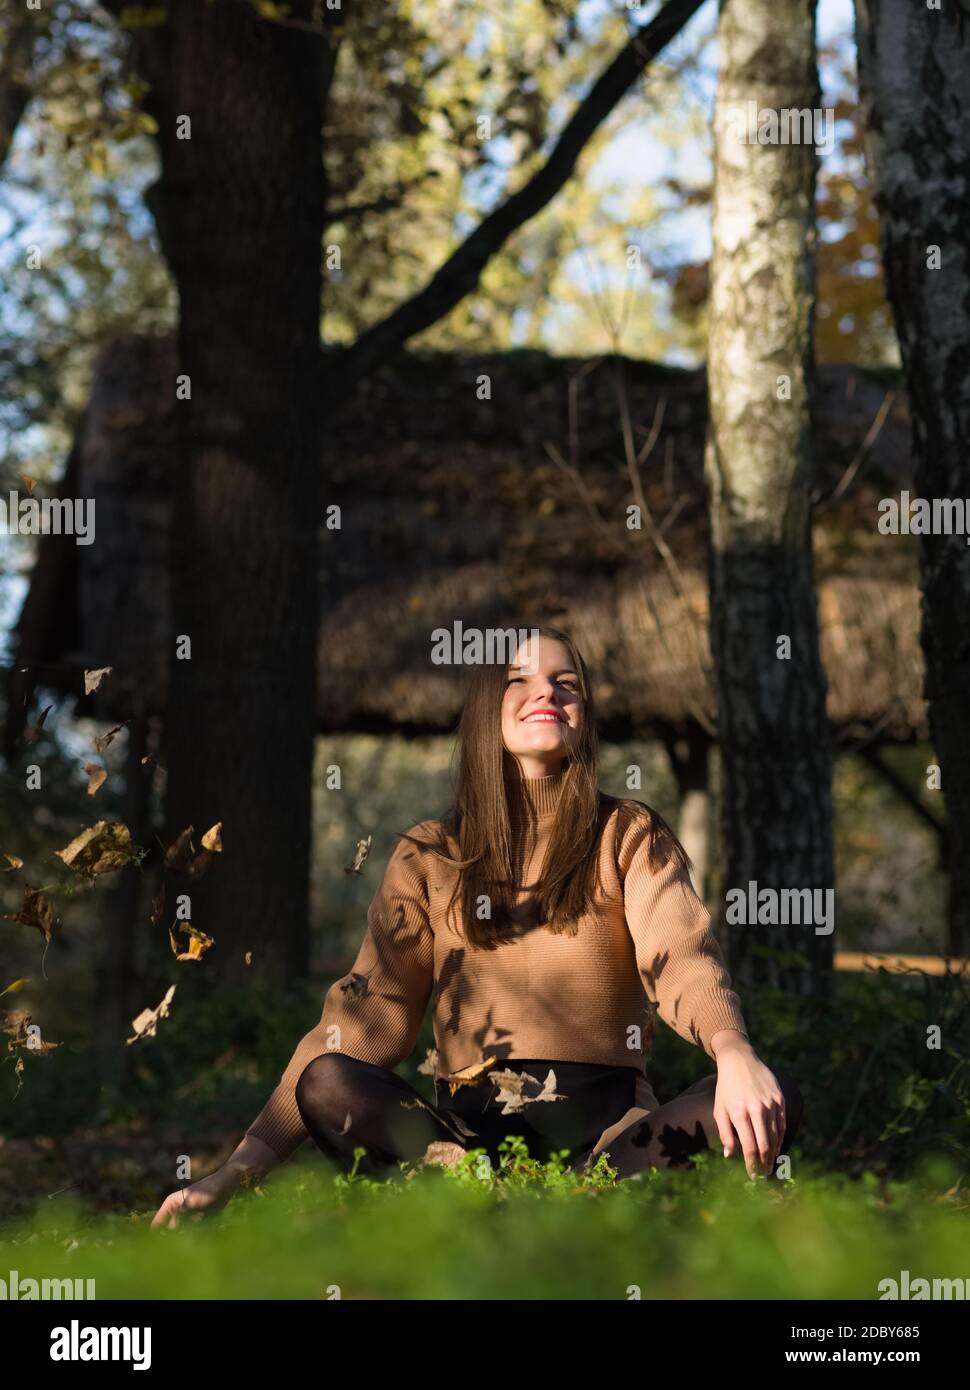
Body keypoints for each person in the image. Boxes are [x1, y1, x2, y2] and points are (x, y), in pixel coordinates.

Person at [152, 625, 802, 1228]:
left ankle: (574, 1206)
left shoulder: (626, 833)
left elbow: (681, 956)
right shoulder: (432, 853)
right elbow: (353, 1024)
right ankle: (497, 1203)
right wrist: (239, 1169)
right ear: (486, 713)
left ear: (585, 716)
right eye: (519, 679)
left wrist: (733, 1050)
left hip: (612, 1147)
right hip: (462, 1150)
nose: (545, 691)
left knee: (775, 1093)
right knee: (327, 1078)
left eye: (565, 682)